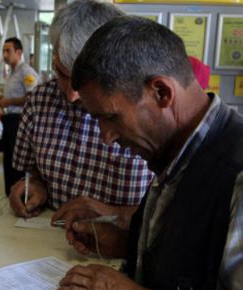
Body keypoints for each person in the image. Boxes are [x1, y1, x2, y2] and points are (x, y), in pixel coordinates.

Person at [59, 15, 243, 289]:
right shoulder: (172, 150)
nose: (106, 137)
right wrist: (132, 246)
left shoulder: (236, 175)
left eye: (111, 117)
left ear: (161, 92)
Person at [10, 0, 152, 230]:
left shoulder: (144, 109)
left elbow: (177, 211)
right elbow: (29, 169)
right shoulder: (40, 102)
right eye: (62, 74)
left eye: (85, 80)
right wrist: (36, 184)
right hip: (49, 240)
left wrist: (114, 214)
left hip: (121, 247)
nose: (72, 94)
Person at [0, 37, 39, 196]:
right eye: (4, 51)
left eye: (8, 51)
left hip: (19, 122)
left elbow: (33, 98)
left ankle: (18, 196)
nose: (5, 54)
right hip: (10, 120)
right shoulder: (12, 73)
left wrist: (9, 101)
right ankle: (9, 194)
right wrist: (3, 100)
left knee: (17, 163)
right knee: (8, 161)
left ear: (19, 52)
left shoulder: (26, 72)